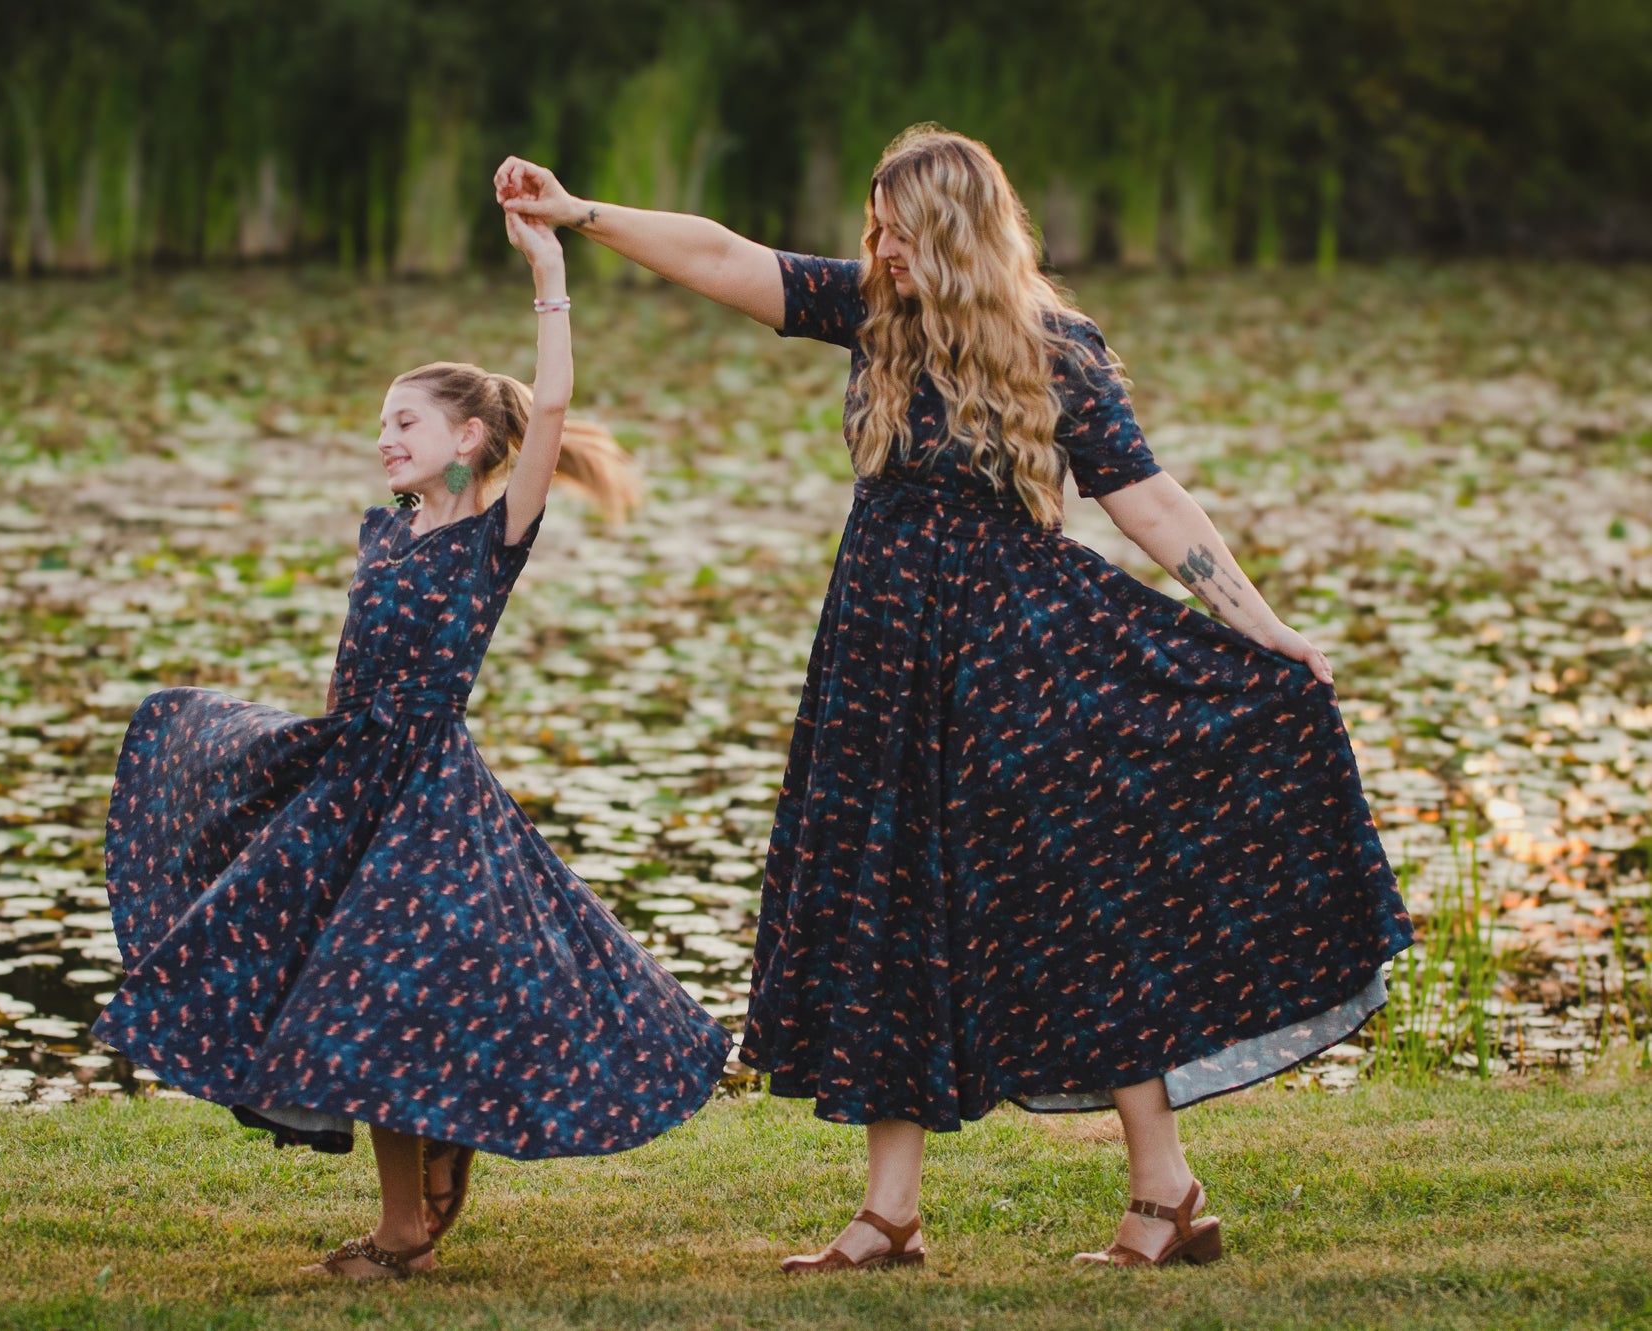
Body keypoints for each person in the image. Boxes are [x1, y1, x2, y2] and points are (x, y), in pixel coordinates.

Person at [497, 125, 1414, 1271]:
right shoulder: (873, 313)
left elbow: (1149, 502)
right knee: (889, 907)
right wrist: (581, 213)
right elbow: (726, 255)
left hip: (1017, 666)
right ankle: (890, 1214)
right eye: (871, 227)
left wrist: (1263, 626)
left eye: (896, 229)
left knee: (1076, 903)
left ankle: (1162, 1190)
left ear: (953, 233)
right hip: (882, 665)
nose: (876, 245)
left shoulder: (1055, 349)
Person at [92, 206, 732, 1281]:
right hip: (347, 775)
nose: (385, 436)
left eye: (406, 421)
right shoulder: (384, 528)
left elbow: (558, 400)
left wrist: (549, 273)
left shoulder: (494, 535)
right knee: (341, 977)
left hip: (428, 790)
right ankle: (419, 1183)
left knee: (379, 992)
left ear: (469, 440)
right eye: (381, 421)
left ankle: (402, 1228)